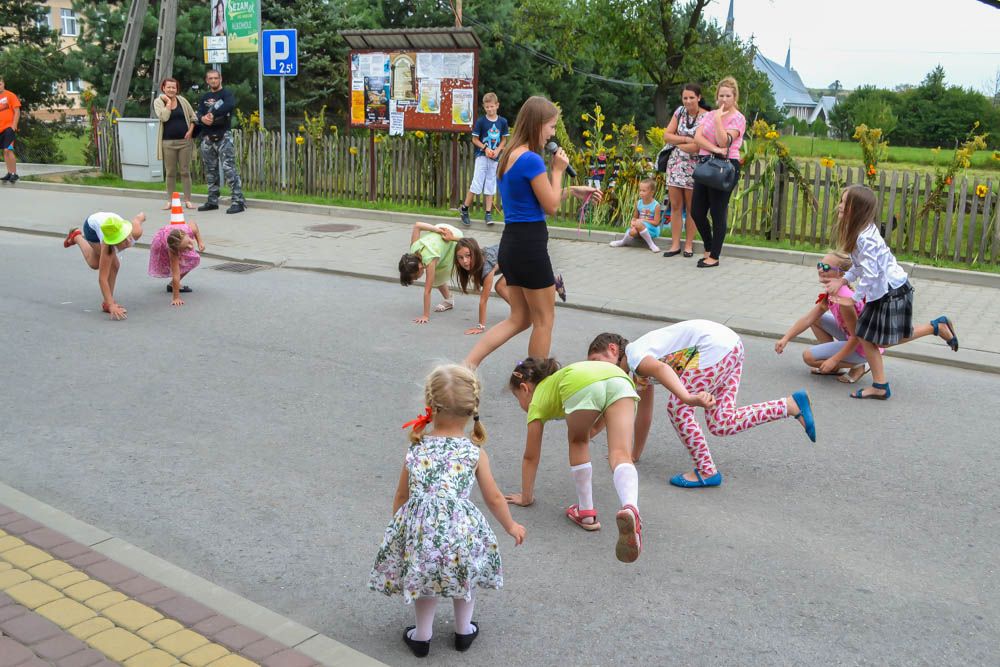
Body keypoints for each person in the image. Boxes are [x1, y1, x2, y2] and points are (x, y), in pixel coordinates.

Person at [369, 364, 525, 658]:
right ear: (472, 409)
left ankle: (422, 636)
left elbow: (402, 495)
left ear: (430, 405)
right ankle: (464, 631)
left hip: (422, 533)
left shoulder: (417, 448)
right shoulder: (473, 452)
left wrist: (399, 529)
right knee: (463, 576)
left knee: (425, 578)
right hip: (461, 532)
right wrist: (511, 525)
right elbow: (493, 497)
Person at [586, 321, 815, 488]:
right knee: (721, 422)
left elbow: (662, 369)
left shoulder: (635, 355)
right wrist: (633, 455)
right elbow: (643, 414)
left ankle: (706, 471)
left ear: (613, 349)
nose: (597, 370)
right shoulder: (638, 371)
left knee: (677, 407)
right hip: (731, 346)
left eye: (596, 361)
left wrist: (687, 398)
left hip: (714, 348)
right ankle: (790, 405)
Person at [463, 96, 601, 369]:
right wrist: (557, 171)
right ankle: (535, 384)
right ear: (538, 124)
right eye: (551, 126)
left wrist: (572, 190)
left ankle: (468, 364)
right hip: (530, 247)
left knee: (519, 319)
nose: (553, 133)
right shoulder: (532, 160)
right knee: (544, 321)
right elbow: (550, 206)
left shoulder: (509, 155)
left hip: (512, 244)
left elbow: (532, 201)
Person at [824, 185, 959, 399]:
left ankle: (880, 385)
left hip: (891, 291)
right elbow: (859, 267)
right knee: (878, 339)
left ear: (857, 209)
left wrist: (854, 299)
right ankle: (935, 327)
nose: (839, 206)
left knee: (869, 337)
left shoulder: (864, 238)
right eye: (841, 201)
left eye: (844, 202)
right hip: (887, 291)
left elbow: (870, 274)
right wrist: (843, 279)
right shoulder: (860, 232)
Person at [504, 357, 643, 564]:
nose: (520, 404)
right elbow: (601, 411)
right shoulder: (556, 381)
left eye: (517, 398)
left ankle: (586, 512)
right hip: (619, 379)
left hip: (580, 382)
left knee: (577, 441)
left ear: (525, 388)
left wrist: (526, 497)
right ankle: (631, 507)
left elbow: (531, 456)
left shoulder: (537, 400)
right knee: (621, 454)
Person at [774, 251, 874, 384]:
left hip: (863, 347)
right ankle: (837, 363)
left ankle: (860, 365)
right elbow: (809, 318)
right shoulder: (833, 290)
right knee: (817, 319)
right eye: (820, 265)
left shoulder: (844, 299)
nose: (821, 269)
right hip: (851, 337)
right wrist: (786, 338)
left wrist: (834, 360)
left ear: (841, 274)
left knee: (809, 357)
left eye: (826, 267)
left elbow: (856, 337)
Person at [454, 238, 566, 336]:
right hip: (513, 256)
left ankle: (525, 312)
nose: (465, 261)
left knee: (500, 287)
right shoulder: (476, 252)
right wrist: (452, 238)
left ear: (474, 252)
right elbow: (468, 244)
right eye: (460, 257)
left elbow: (483, 301)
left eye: (468, 256)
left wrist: (480, 326)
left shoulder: (486, 268)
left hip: (520, 257)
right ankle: (554, 283)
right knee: (507, 286)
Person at [691, 76, 745, 268]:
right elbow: (697, 138)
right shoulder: (709, 114)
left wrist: (718, 121)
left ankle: (714, 256)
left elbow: (724, 142)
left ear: (734, 97)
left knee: (717, 211)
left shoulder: (738, 118)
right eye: (721, 95)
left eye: (728, 96)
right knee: (696, 211)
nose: (724, 99)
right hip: (706, 163)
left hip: (726, 167)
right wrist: (714, 149)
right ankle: (708, 246)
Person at [62, 212, 145, 320]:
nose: (127, 241)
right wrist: (111, 305)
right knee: (108, 265)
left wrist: (142, 216)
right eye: (121, 241)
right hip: (91, 227)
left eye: (126, 236)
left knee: (99, 263)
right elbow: (102, 279)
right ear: (113, 242)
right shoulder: (107, 247)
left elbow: (138, 218)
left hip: (108, 222)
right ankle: (108, 303)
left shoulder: (136, 232)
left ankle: (76, 236)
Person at [661, 83, 709, 258]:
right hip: (675, 165)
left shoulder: (707, 116)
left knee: (691, 208)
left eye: (691, 97)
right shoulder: (679, 112)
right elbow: (667, 135)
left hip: (695, 167)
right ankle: (675, 244)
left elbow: (699, 145)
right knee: (675, 206)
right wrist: (685, 140)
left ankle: (688, 244)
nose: (688, 101)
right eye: (685, 98)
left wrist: (679, 143)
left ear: (699, 97)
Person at [197, 69, 245, 214]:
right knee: (210, 171)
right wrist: (202, 118)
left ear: (220, 79)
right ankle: (212, 201)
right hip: (207, 138)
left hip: (223, 137)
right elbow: (199, 112)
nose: (213, 80)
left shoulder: (226, 94)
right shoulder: (205, 97)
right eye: (210, 78)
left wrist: (212, 114)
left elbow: (229, 106)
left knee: (229, 169)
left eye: (215, 78)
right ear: (207, 80)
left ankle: (238, 201)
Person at [399, 222, 464, 323]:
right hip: (442, 227)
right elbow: (417, 225)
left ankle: (449, 300)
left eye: (415, 277)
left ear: (420, 267)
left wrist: (425, 316)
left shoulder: (430, 260)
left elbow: (427, 291)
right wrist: (436, 229)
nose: (416, 279)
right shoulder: (414, 248)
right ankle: (449, 300)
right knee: (435, 275)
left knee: (436, 275)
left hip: (453, 236)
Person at [460, 92, 508, 227]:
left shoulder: (502, 122)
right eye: (487, 107)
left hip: (495, 158)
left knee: (490, 184)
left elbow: (504, 140)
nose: (490, 109)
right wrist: (485, 148)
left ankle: (488, 213)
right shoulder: (481, 121)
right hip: (482, 156)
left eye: (492, 106)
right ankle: (464, 209)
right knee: (477, 183)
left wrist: (497, 150)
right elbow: (475, 139)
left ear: (497, 105)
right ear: (484, 107)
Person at [153, 78, 197, 210]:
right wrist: (167, 103)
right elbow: (164, 117)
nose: (171, 90)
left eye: (174, 87)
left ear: (177, 89)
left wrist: (190, 131)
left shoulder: (182, 101)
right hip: (168, 143)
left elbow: (193, 117)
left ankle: (188, 200)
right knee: (170, 172)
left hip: (184, 142)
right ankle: (170, 201)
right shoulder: (158, 102)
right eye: (169, 87)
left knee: (185, 171)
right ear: (163, 88)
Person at [148, 220, 205, 306]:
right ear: (177, 250)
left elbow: (194, 226)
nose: (191, 247)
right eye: (186, 248)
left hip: (174, 237)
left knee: (194, 259)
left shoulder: (189, 229)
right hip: (161, 244)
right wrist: (176, 298)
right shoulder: (172, 250)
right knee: (175, 265)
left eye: (189, 242)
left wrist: (200, 241)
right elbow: (176, 274)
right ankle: (173, 285)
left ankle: (173, 284)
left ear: (186, 234)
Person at [609, 178, 662, 252]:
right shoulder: (638, 203)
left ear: (652, 192)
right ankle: (623, 242)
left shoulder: (656, 205)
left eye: (644, 191)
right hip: (640, 226)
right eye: (640, 190)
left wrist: (642, 220)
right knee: (632, 232)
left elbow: (656, 223)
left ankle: (652, 245)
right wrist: (632, 222)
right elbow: (635, 217)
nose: (641, 193)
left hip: (652, 229)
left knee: (639, 224)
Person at [0, 78, 21, 184]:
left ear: (3, 84)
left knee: (8, 149)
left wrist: (13, 126)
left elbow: (17, 111)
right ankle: (9, 173)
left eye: (0, 84)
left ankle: (14, 174)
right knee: (4, 151)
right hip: (0, 129)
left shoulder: (10, 95)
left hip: (9, 128)